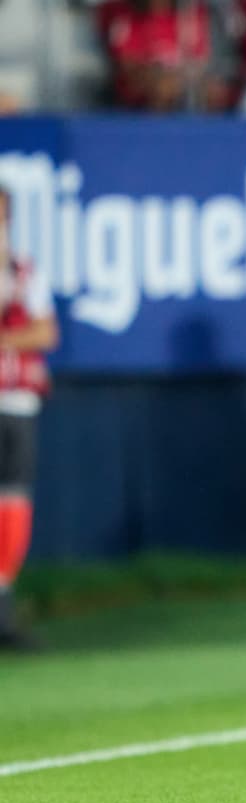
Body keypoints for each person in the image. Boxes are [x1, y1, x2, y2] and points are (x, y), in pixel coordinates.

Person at [0, 184, 58, 649]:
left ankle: (4, 604)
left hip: (17, 400)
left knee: (14, 502)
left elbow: (45, 332)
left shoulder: (22, 270)